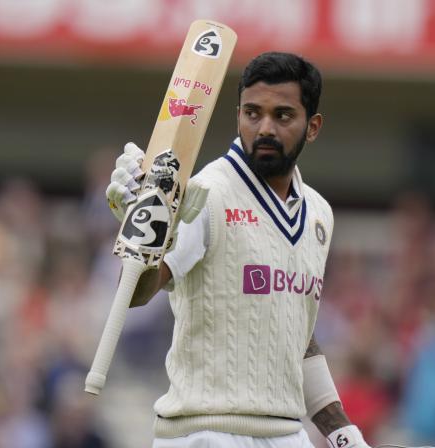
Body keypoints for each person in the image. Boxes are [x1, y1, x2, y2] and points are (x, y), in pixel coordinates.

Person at [106, 52, 369, 448]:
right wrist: (139, 226)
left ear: (312, 126)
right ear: (238, 115)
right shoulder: (205, 194)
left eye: (282, 116)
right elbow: (139, 293)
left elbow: (295, 334)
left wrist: (342, 433)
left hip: (286, 434)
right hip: (204, 432)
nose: (264, 128)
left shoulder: (318, 214)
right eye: (252, 113)